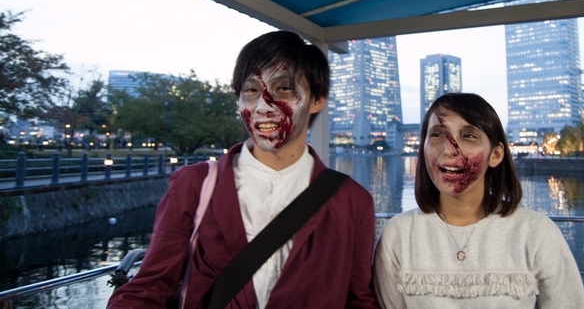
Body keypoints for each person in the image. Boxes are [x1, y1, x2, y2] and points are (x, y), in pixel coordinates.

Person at [108, 31, 380, 308]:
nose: (263, 106)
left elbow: (360, 299)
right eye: (250, 91)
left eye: (283, 89)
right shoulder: (194, 185)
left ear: (317, 99)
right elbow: (149, 289)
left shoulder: (351, 201)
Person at [373, 93, 584, 308]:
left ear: (496, 155)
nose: (449, 150)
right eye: (437, 134)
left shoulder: (536, 233)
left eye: (468, 136)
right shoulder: (398, 236)